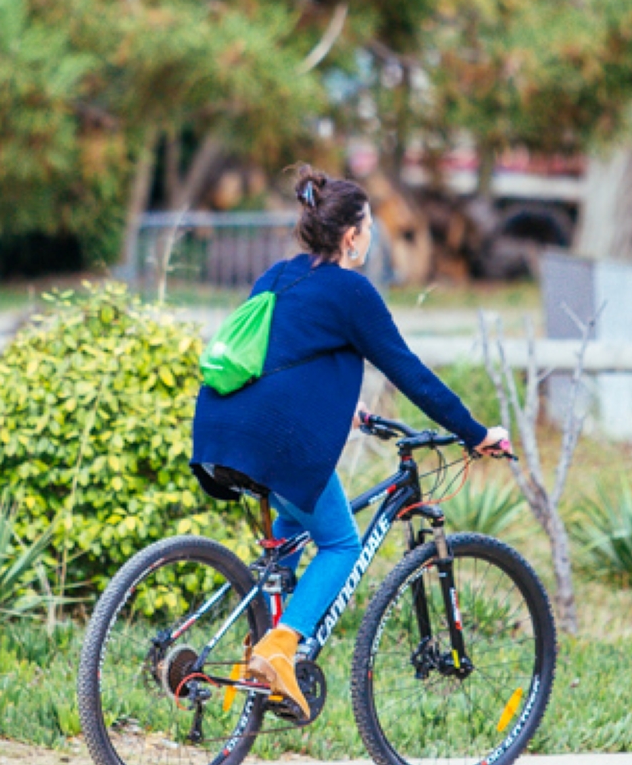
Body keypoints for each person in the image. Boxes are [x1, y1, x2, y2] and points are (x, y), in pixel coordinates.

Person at [191, 167, 511, 719]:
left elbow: (279, 355)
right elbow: (410, 373)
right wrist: (477, 434)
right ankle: (279, 648)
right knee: (339, 544)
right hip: (278, 442)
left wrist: (347, 409)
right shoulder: (351, 290)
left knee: (288, 543)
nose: (371, 238)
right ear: (351, 235)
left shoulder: (277, 275)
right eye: (368, 228)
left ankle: (259, 649)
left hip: (220, 427)